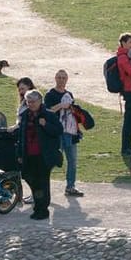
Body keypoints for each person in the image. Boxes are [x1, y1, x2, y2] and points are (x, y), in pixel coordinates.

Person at [16, 90, 64, 220]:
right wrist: (20, 154)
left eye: (32, 101)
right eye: (28, 102)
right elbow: (21, 135)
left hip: (43, 156)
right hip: (29, 154)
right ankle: (38, 206)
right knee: (29, 178)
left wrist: (46, 125)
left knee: (42, 183)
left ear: (39, 101)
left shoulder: (48, 115)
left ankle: (42, 209)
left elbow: (59, 130)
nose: (30, 104)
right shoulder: (25, 115)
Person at [45, 69, 84, 197]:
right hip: (56, 132)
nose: (61, 80)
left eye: (64, 78)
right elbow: (48, 111)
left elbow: (72, 113)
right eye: (59, 77)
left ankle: (70, 186)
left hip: (70, 133)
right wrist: (61, 105)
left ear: (67, 80)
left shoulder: (69, 94)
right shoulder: (50, 94)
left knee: (72, 161)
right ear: (55, 78)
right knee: (52, 160)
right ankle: (42, 187)